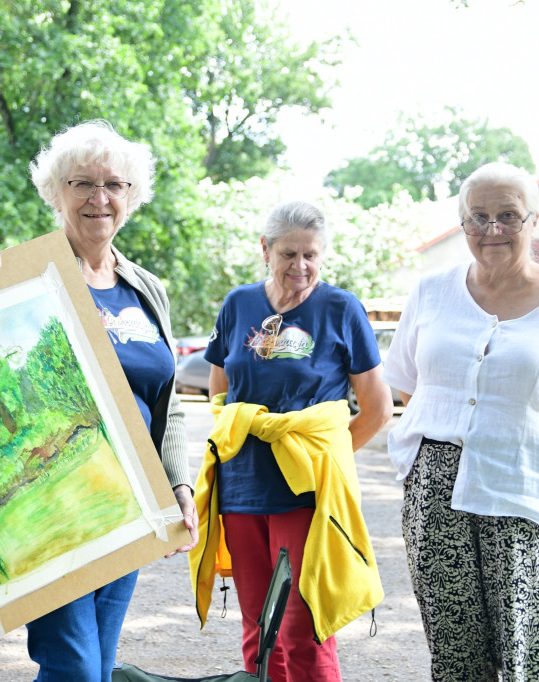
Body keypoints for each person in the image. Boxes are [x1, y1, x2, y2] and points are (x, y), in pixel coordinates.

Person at [0, 120, 198, 682]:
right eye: (82, 183)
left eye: (114, 184)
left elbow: (168, 402)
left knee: (97, 665)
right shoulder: (21, 279)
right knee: (78, 668)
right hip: (55, 509)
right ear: (55, 192)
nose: (99, 197)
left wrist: (180, 486)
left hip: (130, 507)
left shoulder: (146, 288)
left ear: (132, 197)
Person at [381, 161, 539, 681]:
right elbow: (406, 380)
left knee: (528, 659)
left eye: (508, 216)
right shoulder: (431, 291)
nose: (493, 230)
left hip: (529, 499)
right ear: (464, 223)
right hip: (437, 498)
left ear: (533, 221)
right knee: (455, 658)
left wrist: (526, 451)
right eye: (479, 217)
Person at [188, 201, 395, 682]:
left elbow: (377, 407)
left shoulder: (341, 309)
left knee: (302, 625)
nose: (300, 267)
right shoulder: (238, 304)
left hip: (303, 492)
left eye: (311, 255)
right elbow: (221, 390)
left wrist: (325, 460)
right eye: (288, 254)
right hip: (240, 488)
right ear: (265, 249)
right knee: (257, 626)